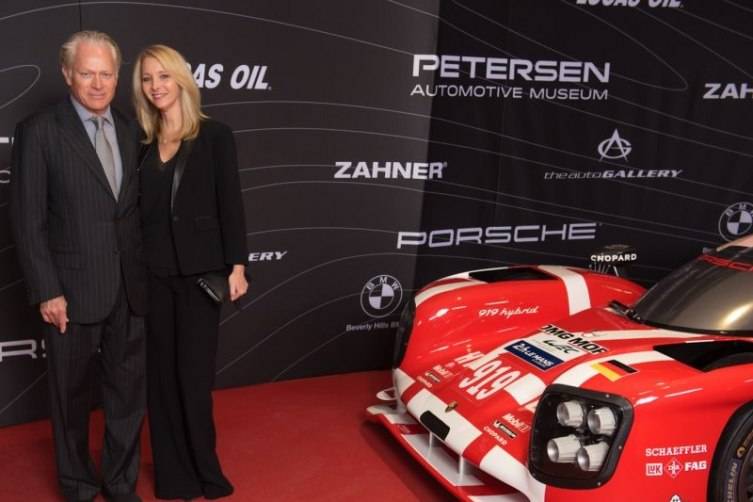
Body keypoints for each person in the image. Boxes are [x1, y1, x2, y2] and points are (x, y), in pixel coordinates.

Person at [9, 31, 147, 502]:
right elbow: (27, 219)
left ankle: (121, 483)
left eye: (106, 73)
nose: (98, 83)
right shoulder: (39, 130)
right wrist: (47, 289)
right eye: (87, 73)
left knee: (128, 395)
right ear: (67, 73)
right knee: (69, 399)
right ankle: (79, 486)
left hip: (129, 289)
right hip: (69, 291)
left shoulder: (130, 128)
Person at [132, 44, 248, 500]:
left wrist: (238, 264)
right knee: (161, 382)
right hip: (153, 278)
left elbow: (230, 202)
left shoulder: (215, 135)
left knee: (194, 381)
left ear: (181, 79)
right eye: (147, 79)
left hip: (200, 278)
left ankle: (206, 472)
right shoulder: (141, 143)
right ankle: (174, 478)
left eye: (163, 76)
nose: (156, 86)